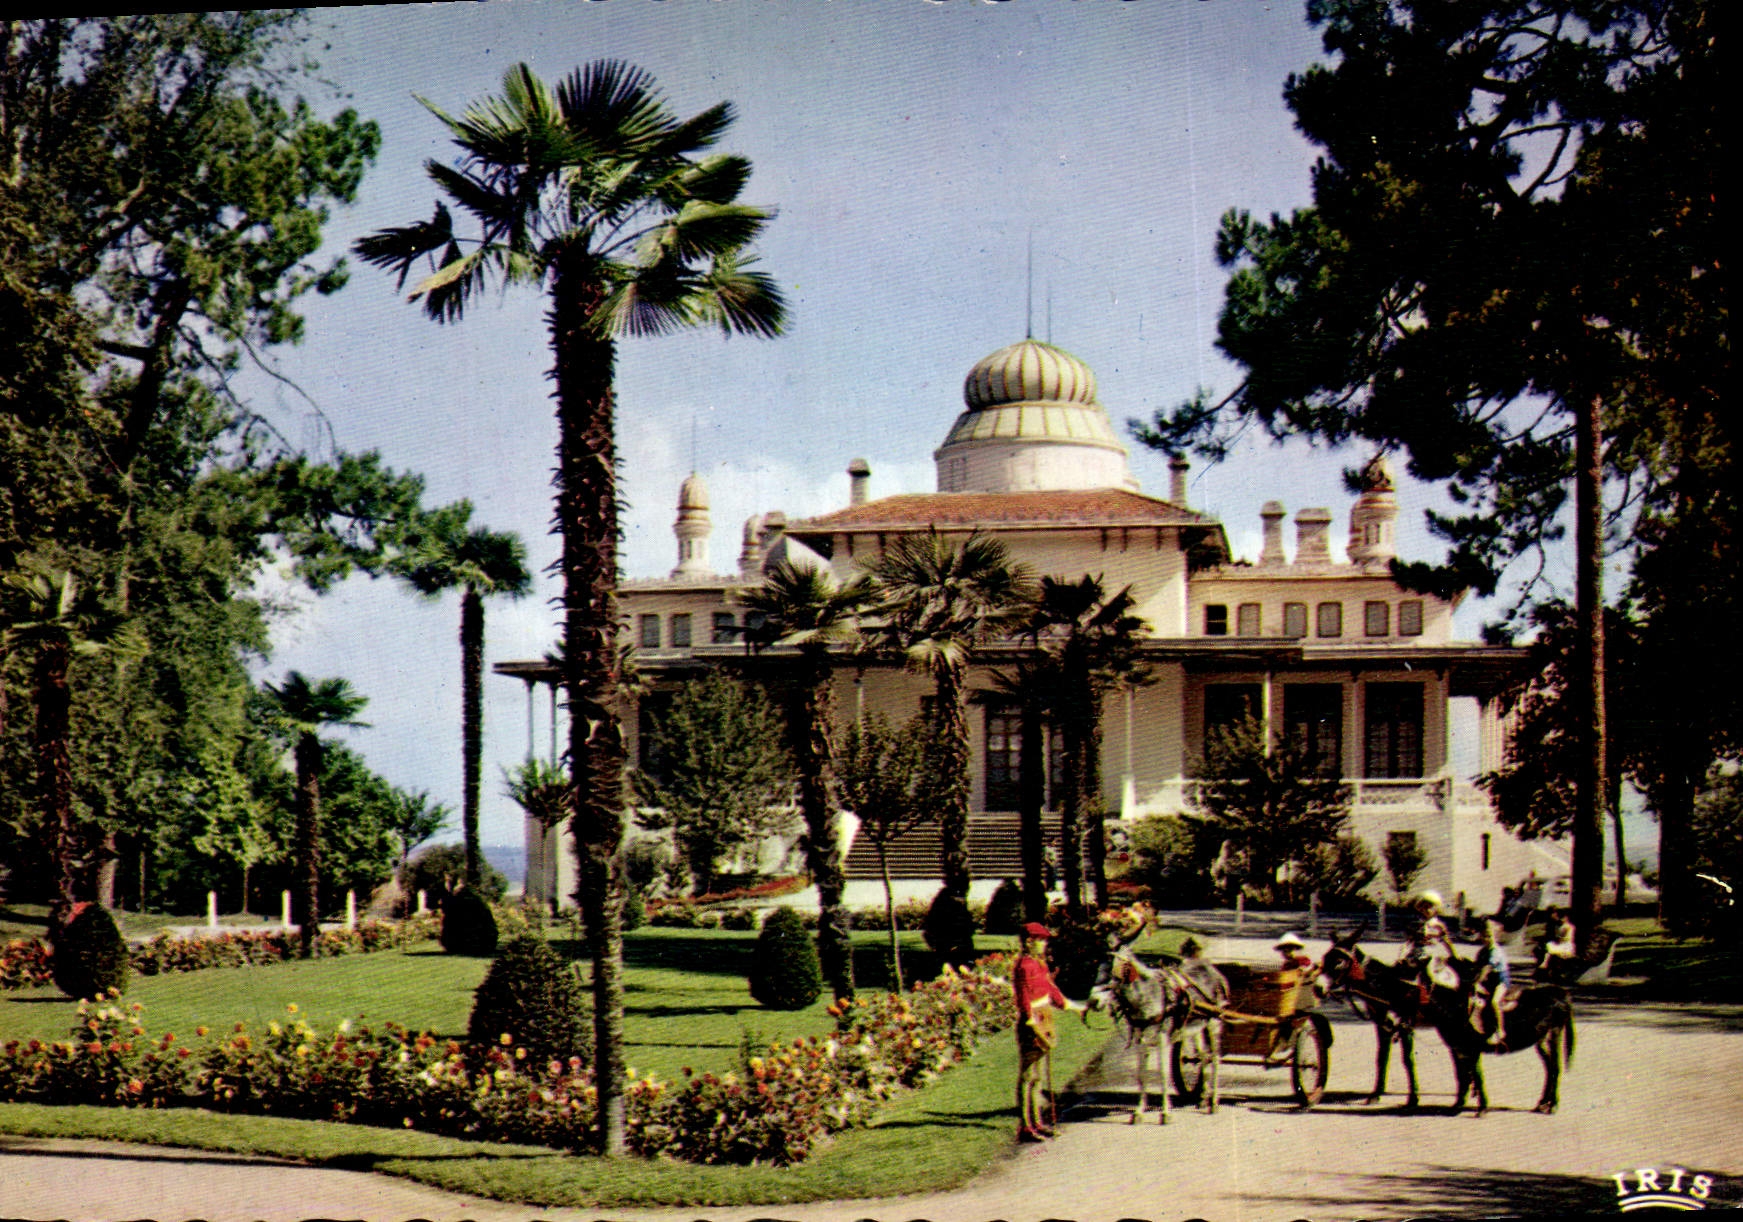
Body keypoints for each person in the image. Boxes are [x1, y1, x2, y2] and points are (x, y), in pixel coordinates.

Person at [1013, 921, 1084, 1142]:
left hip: (1045, 1016)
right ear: (1029, 942)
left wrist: (1071, 1006)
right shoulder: (1024, 966)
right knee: (1028, 1075)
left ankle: (1038, 1122)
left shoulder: (1039, 964)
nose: (1044, 944)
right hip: (1032, 1021)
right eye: (1040, 940)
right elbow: (1023, 998)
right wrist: (1032, 1024)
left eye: (1044, 940)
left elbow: (1051, 990)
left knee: (1039, 1076)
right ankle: (1026, 1126)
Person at [1399, 890, 1457, 988]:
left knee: (1428, 973)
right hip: (1416, 954)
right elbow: (1409, 941)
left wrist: (1454, 955)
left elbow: (1446, 941)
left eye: (1428, 907)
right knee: (1401, 970)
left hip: (1430, 955)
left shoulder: (1438, 925)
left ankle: (1427, 993)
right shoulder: (1417, 924)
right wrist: (1402, 954)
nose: (1425, 910)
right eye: (1423, 907)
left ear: (1435, 909)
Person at [1471, 919, 1512, 1047]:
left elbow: (1487, 968)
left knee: (1494, 1002)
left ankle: (1500, 1030)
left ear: (1495, 936)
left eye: (1489, 936)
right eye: (1484, 936)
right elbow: (1477, 967)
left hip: (1500, 980)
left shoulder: (1495, 952)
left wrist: (1477, 982)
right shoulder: (1482, 951)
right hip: (1489, 980)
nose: (1486, 939)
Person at [1537, 906, 1577, 979]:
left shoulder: (1569, 927)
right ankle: (1545, 967)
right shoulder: (1557, 926)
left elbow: (1567, 938)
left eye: (1563, 917)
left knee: (1549, 948)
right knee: (1547, 947)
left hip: (1566, 946)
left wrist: (1559, 937)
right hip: (1560, 945)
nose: (1562, 919)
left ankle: (1545, 964)